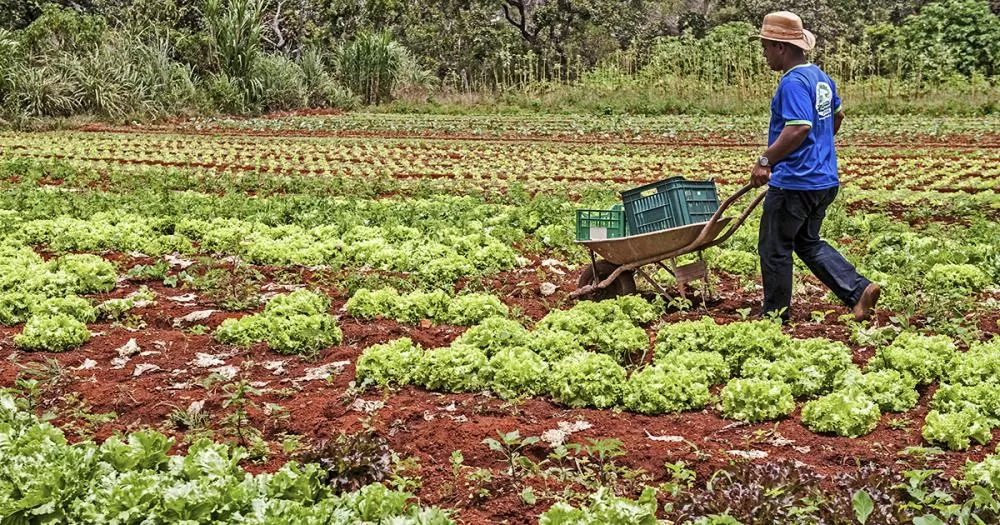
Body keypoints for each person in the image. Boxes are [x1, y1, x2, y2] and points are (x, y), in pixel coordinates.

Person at [749, 11, 879, 323]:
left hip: (795, 182)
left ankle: (775, 317)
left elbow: (798, 127)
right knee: (806, 241)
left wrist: (766, 160)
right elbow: (837, 116)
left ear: (781, 47)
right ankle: (858, 290)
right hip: (823, 179)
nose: (764, 54)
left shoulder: (792, 82)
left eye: (766, 47)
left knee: (774, 248)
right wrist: (818, 148)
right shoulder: (821, 78)